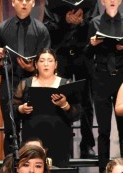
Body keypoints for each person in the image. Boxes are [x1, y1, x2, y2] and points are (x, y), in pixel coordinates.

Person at [86, 0, 123, 173]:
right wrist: (92, 44)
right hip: (101, 77)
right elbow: (85, 53)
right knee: (103, 130)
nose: (111, 1)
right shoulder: (94, 23)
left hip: (122, 77)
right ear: (102, 1)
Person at [0, 0, 51, 154]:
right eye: (20, 0)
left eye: (27, 0)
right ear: (13, 3)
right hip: (10, 82)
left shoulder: (41, 29)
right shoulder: (2, 28)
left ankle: (34, 166)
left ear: (33, 3)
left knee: (35, 126)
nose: (23, 3)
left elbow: (47, 58)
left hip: (34, 83)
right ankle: (10, 169)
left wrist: (33, 67)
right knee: (10, 130)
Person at [43, 0, 99, 158]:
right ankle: (62, 143)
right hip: (62, 54)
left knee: (87, 102)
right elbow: (46, 26)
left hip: (84, 54)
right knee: (60, 97)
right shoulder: (52, 2)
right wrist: (64, 21)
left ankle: (87, 146)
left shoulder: (91, 3)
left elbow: (96, 26)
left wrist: (82, 22)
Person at [13, 48, 81, 167]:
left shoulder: (66, 84)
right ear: (35, 64)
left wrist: (64, 105)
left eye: (50, 61)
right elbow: (12, 108)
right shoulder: (25, 83)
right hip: (32, 136)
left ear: (56, 64)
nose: (46, 64)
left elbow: (77, 113)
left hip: (59, 136)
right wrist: (21, 109)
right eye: (42, 61)